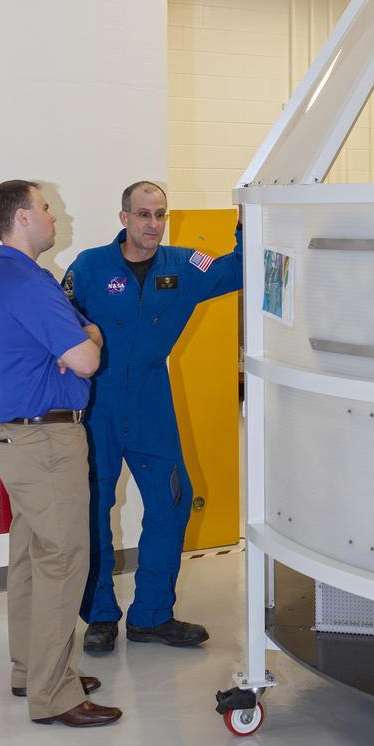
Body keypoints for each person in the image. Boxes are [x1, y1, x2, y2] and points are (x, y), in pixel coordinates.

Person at [64, 180, 242, 653]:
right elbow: (60, 321)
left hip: (151, 402)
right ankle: (100, 615)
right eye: (143, 214)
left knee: (171, 502)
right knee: (93, 509)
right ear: (124, 218)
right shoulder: (89, 266)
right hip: (98, 401)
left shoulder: (185, 265)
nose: (153, 224)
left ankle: (152, 615)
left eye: (160, 214)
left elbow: (238, 267)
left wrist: (249, 219)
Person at [0, 180, 121, 728]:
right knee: (62, 560)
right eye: (44, 208)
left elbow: (66, 354)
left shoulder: (15, 277)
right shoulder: (32, 285)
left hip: (22, 438)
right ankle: (53, 693)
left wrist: (75, 344)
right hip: (44, 443)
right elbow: (85, 359)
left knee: (33, 559)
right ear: (21, 218)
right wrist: (92, 335)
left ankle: (32, 670)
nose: (54, 215)